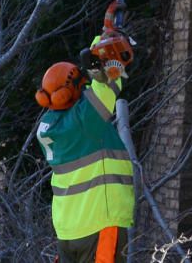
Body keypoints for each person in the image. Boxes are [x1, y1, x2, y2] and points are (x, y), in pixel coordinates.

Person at [35, 49, 134, 263]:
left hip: (68, 230)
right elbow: (107, 85)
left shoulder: (47, 127)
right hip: (98, 223)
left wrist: (101, 42)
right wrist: (108, 40)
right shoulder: (86, 120)